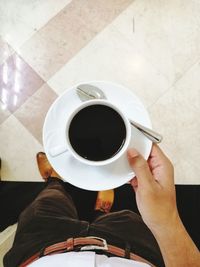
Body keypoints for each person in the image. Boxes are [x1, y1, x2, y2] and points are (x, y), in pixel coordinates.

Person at [3, 145, 200, 267]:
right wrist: (167, 220)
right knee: (124, 217)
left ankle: (54, 181)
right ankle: (102, 211)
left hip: (38, 249)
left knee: (47, 202)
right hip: (133, 249)